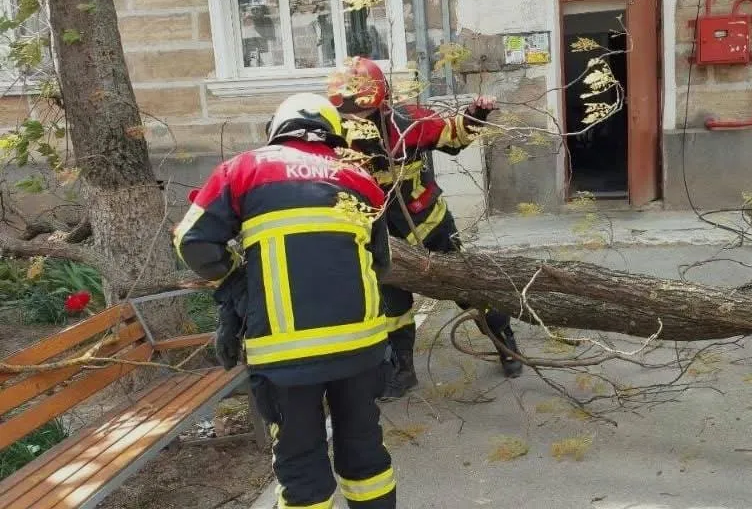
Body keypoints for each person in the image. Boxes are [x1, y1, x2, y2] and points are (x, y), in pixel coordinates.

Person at [173, 93, 396, 509]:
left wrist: (237, 282)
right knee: (366, 453)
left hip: (285, 354)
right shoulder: (361, 180)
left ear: (276, 129)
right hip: (361, 348)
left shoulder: (244, 169)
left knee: (300, 465)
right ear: (334, 134)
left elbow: (193, 243)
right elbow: (380, 263)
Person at [327, 57, 524, 401]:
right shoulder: (335, 136)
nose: (351, 118)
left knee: (467, 290)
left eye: (357, 110)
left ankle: (503, 340)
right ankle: (402, 371)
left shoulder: (408, 122)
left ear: (377, 102)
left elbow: (454, 136)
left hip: (430, 227)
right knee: (392, 306)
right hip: (381, 238)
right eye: (345, 110)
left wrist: (477, 113)